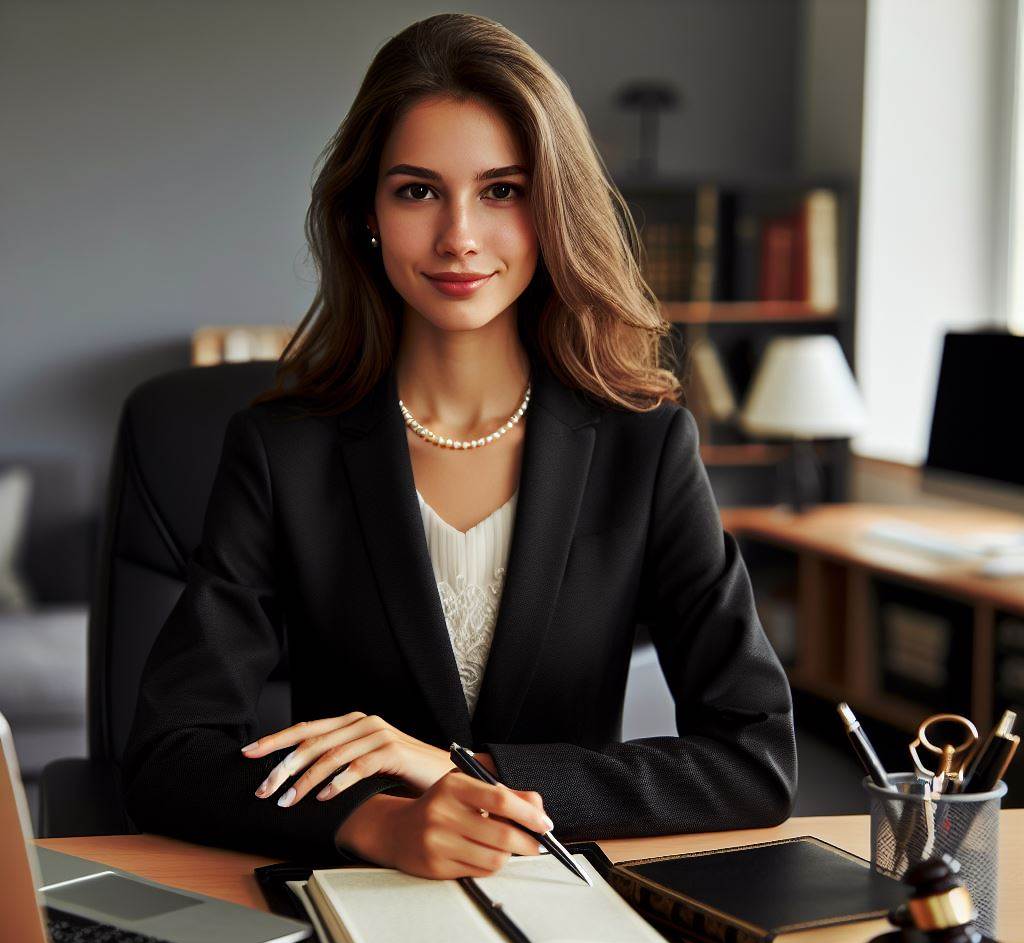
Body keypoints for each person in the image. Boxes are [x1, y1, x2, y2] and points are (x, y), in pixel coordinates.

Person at [121, 13, 797, 878]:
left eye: (502, 191)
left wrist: (466, 777)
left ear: (553, 209)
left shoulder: (646, 446)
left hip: (564, 900)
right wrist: (370, 822)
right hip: (360, 895)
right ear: (366, 213)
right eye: (417, 191)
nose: (459, 238)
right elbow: (168, 755)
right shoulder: (280, 450)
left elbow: (757, 760)